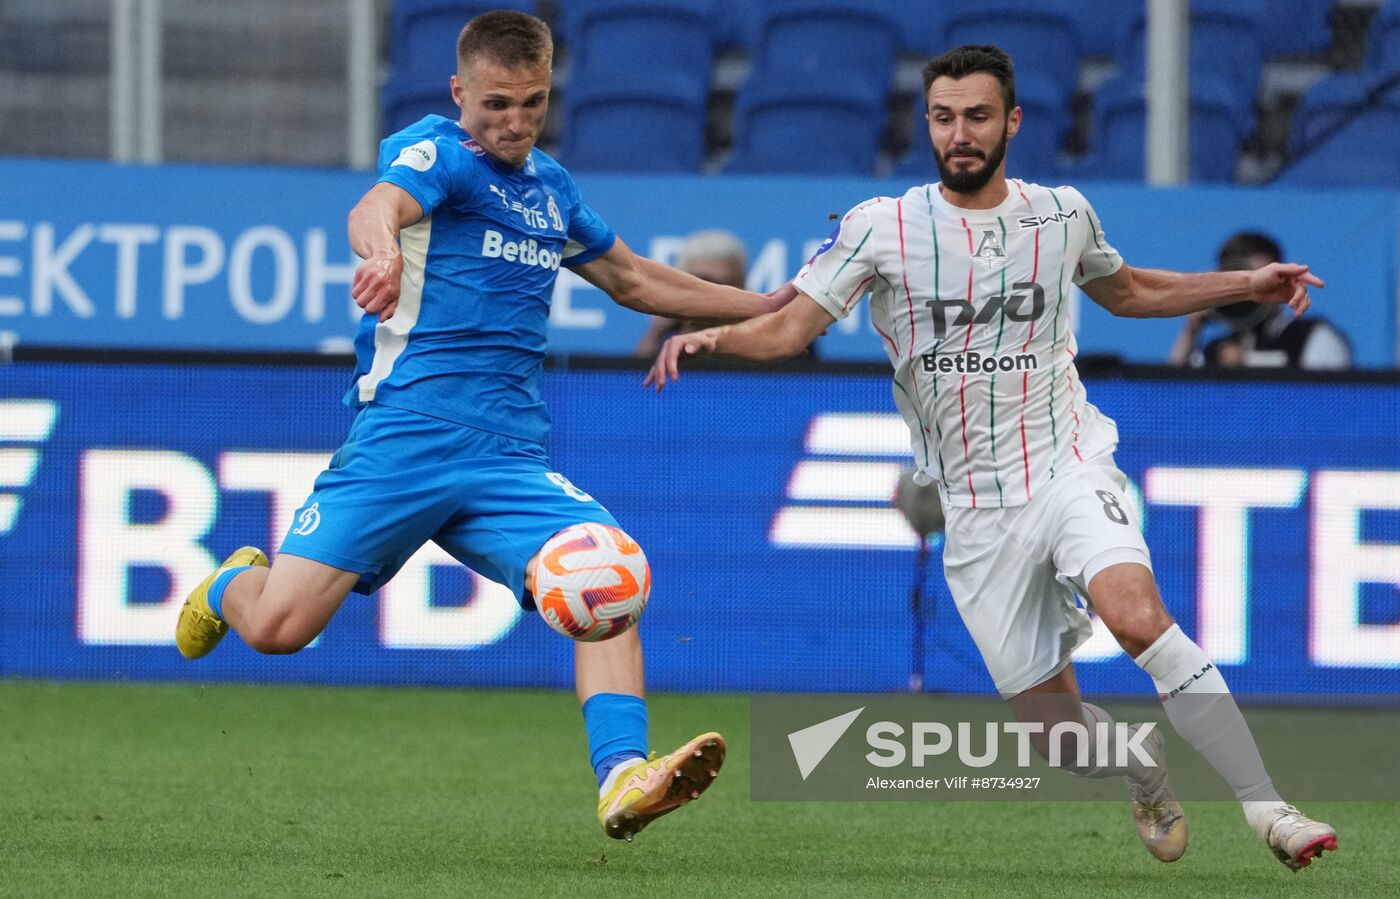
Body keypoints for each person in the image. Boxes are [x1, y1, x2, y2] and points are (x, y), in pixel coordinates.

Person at [646, 45, 1338, 872]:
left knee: (1138, 616)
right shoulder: (880, 226)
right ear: (927, 123)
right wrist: (715, 334)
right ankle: (1139, 763)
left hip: (1068, 462)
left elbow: (1129, 292)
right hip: (974, 508)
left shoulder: (1062, 215)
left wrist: (1243, 286)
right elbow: (792, 327)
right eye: (943, 117)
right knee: (1059, 739)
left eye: (977, 116)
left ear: (1011, 120)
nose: (959, 134)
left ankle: (1271, 809)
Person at [175, 10, 777, 843]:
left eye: (532, 104)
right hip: (406, 437)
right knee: (277, 630)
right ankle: (226, 581)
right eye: (496, 103)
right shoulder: (440, 153)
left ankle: (622, 777)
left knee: (609, 580)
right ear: (460, 91)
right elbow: (376, 206)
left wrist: (778, 306)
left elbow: (634, 279)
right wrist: (382, 251)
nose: (514, 123)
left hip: (507, 456)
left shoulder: (551, 189)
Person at [1168, 231, 1352, 369]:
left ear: (1284, 281)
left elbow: (1331, 403)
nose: (1254, 291)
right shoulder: (1213, 352)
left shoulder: (1312, 338)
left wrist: (1248, 363)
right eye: (1242, 282)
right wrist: (1191, 329)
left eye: (1264, 281)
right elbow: (1170, 400)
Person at [633, 230, 748, 358]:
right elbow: (636, 374)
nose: (711, 295)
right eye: (702, 282)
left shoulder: (759, 331)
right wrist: (657, 331)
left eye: (722, 285)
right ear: (680, 280)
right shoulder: (666, 330)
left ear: (741, 285)